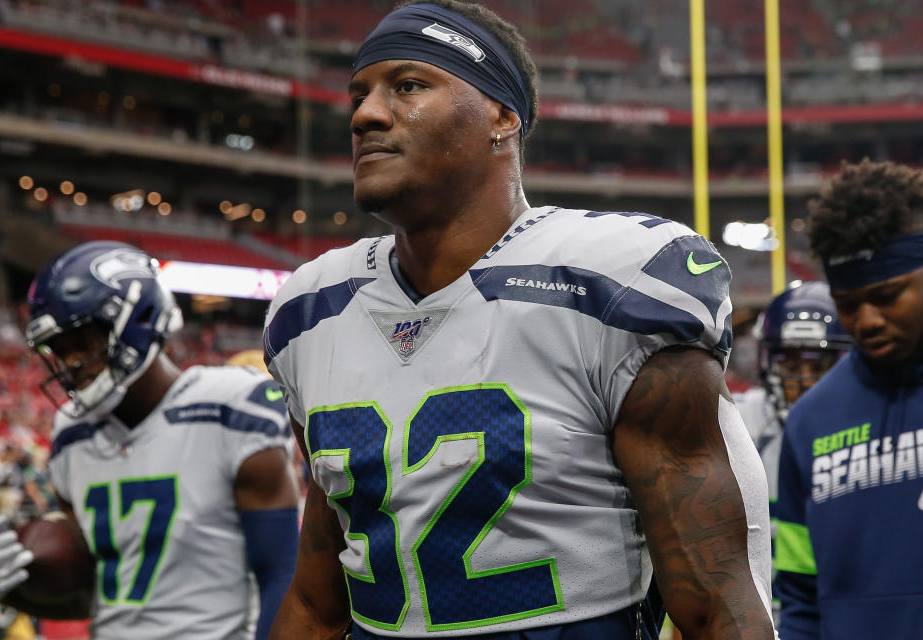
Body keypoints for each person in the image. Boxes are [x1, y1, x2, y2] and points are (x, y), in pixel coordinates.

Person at [262, 2, 775, 638]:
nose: (365, 114)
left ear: (503, 117)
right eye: (359, 94)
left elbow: (718, 600)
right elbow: (317, 600)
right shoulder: (310, 311)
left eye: (409, 86)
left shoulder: (610, 284)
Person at [0, 241, 300, 640]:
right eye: (59, 349)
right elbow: (94, 588)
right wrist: (14, 586)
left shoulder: (229, 406)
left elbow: (281, 573)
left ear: (137, 320)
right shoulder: (70, 435)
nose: (71, 362)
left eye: (83, 340)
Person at [774, 159, 923, 639]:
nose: (867, 321)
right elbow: (799, 595)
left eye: (887, 295)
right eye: (848, 304)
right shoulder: (810, 421)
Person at [734, 281, 850, 623]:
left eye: (819, 365)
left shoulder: (867, 426)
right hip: (753, 618)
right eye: (791, 365)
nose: (804, 381)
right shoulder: (738, 421)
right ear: (767, 362)